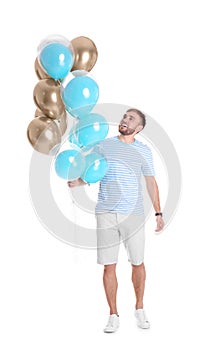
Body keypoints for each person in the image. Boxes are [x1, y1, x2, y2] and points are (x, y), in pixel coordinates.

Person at [67, 108, 165, 332]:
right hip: (106, 214)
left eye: (131, 119)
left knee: (137, 262)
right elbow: (94, 172)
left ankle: (139, 308)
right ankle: (113, 314)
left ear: (138, 129)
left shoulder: (144, 151)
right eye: (124, 116)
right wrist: (78, 182)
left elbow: (151, 182)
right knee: (108, 266)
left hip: (134, 214)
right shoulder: (104, 145)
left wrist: (158, 213)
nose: (124, 120)